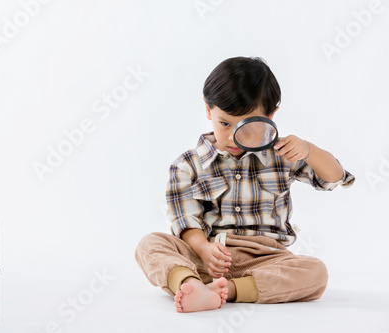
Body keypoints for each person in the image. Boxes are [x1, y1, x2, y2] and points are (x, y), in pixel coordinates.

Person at [135, 56, 355, 313]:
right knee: (150, 244)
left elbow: (335, 177)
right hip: (207, 256)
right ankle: (190, 282)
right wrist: (204, 249)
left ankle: (228, 290)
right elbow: (185, 220)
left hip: (266, 259)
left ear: (270, 116)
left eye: (247, 126)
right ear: (208, 111)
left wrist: (308, 150)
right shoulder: (188, 164)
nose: (233, 137)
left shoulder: (283, 153)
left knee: (315, 272)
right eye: (224, 123)